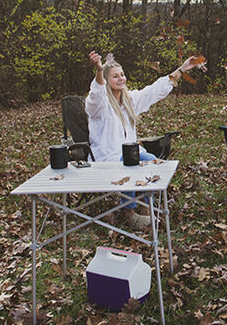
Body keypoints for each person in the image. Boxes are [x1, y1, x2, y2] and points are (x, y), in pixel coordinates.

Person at [86, 49, 206, 229]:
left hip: (131, 153)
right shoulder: (100, 106)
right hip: (107, 158)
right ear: (106, 80)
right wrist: (98, 70)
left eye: (122, 75)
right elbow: (96, 95)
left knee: (154, 162)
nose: (121, 79)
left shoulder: (129, 100)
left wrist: (181, 69)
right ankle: (129, 212)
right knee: (131, 164)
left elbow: (154, 91)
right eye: (115, 76)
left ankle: (146, 207)